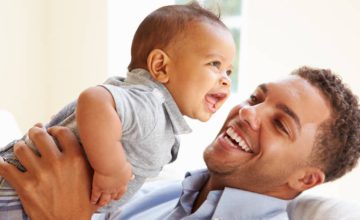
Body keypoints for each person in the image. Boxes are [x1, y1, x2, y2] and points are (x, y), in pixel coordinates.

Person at [1, 66, 359, 220]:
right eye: (254, 98)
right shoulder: (161, 190)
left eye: (280, 124)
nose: (247, 113)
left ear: (306, 180)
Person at [0, 1, 235, 217]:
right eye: (214, 64)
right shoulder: (150, 103)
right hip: (20, 190)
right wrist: (111, 169)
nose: (225, 79)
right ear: (161, 66)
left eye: (228, 71)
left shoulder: (158, 117)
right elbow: (94, 99)